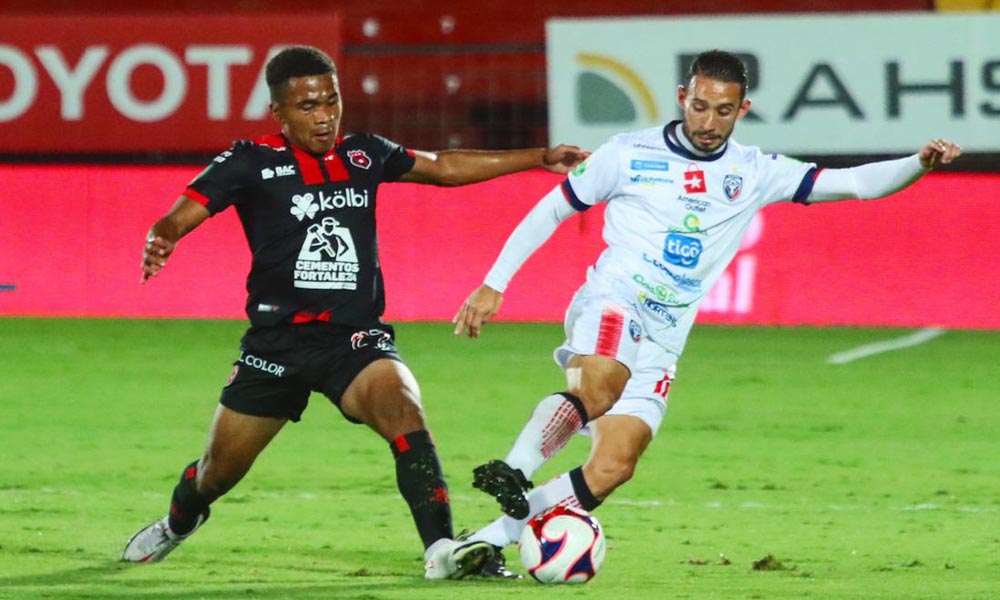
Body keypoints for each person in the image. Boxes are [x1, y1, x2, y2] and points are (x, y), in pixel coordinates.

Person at [451, 49, 962, 574]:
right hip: (615, 298)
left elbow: (854, 183)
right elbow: (553, 207)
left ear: (742, 110)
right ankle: (513, 468)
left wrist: (917, 165)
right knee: (598, 387)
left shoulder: (755, 171)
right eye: (699, 106)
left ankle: (479, 545)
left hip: (666, 335)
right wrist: (495, 283)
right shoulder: (628, 153)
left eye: (723, 110)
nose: (708, 122)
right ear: (682, 98)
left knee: (613, 466)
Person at [120, 45, 588, 580]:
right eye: (307, 106)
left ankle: (441, 550)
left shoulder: (364, 154)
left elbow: (443, 166)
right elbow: (181, 214)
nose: (323, 116)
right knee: (215, 475)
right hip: (277, 345)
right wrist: (163, 237)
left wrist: (538, 157)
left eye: (331, 101)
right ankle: (177, 523)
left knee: (405, 410)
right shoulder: (250, 162)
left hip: (355, 341)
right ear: (279, 112)